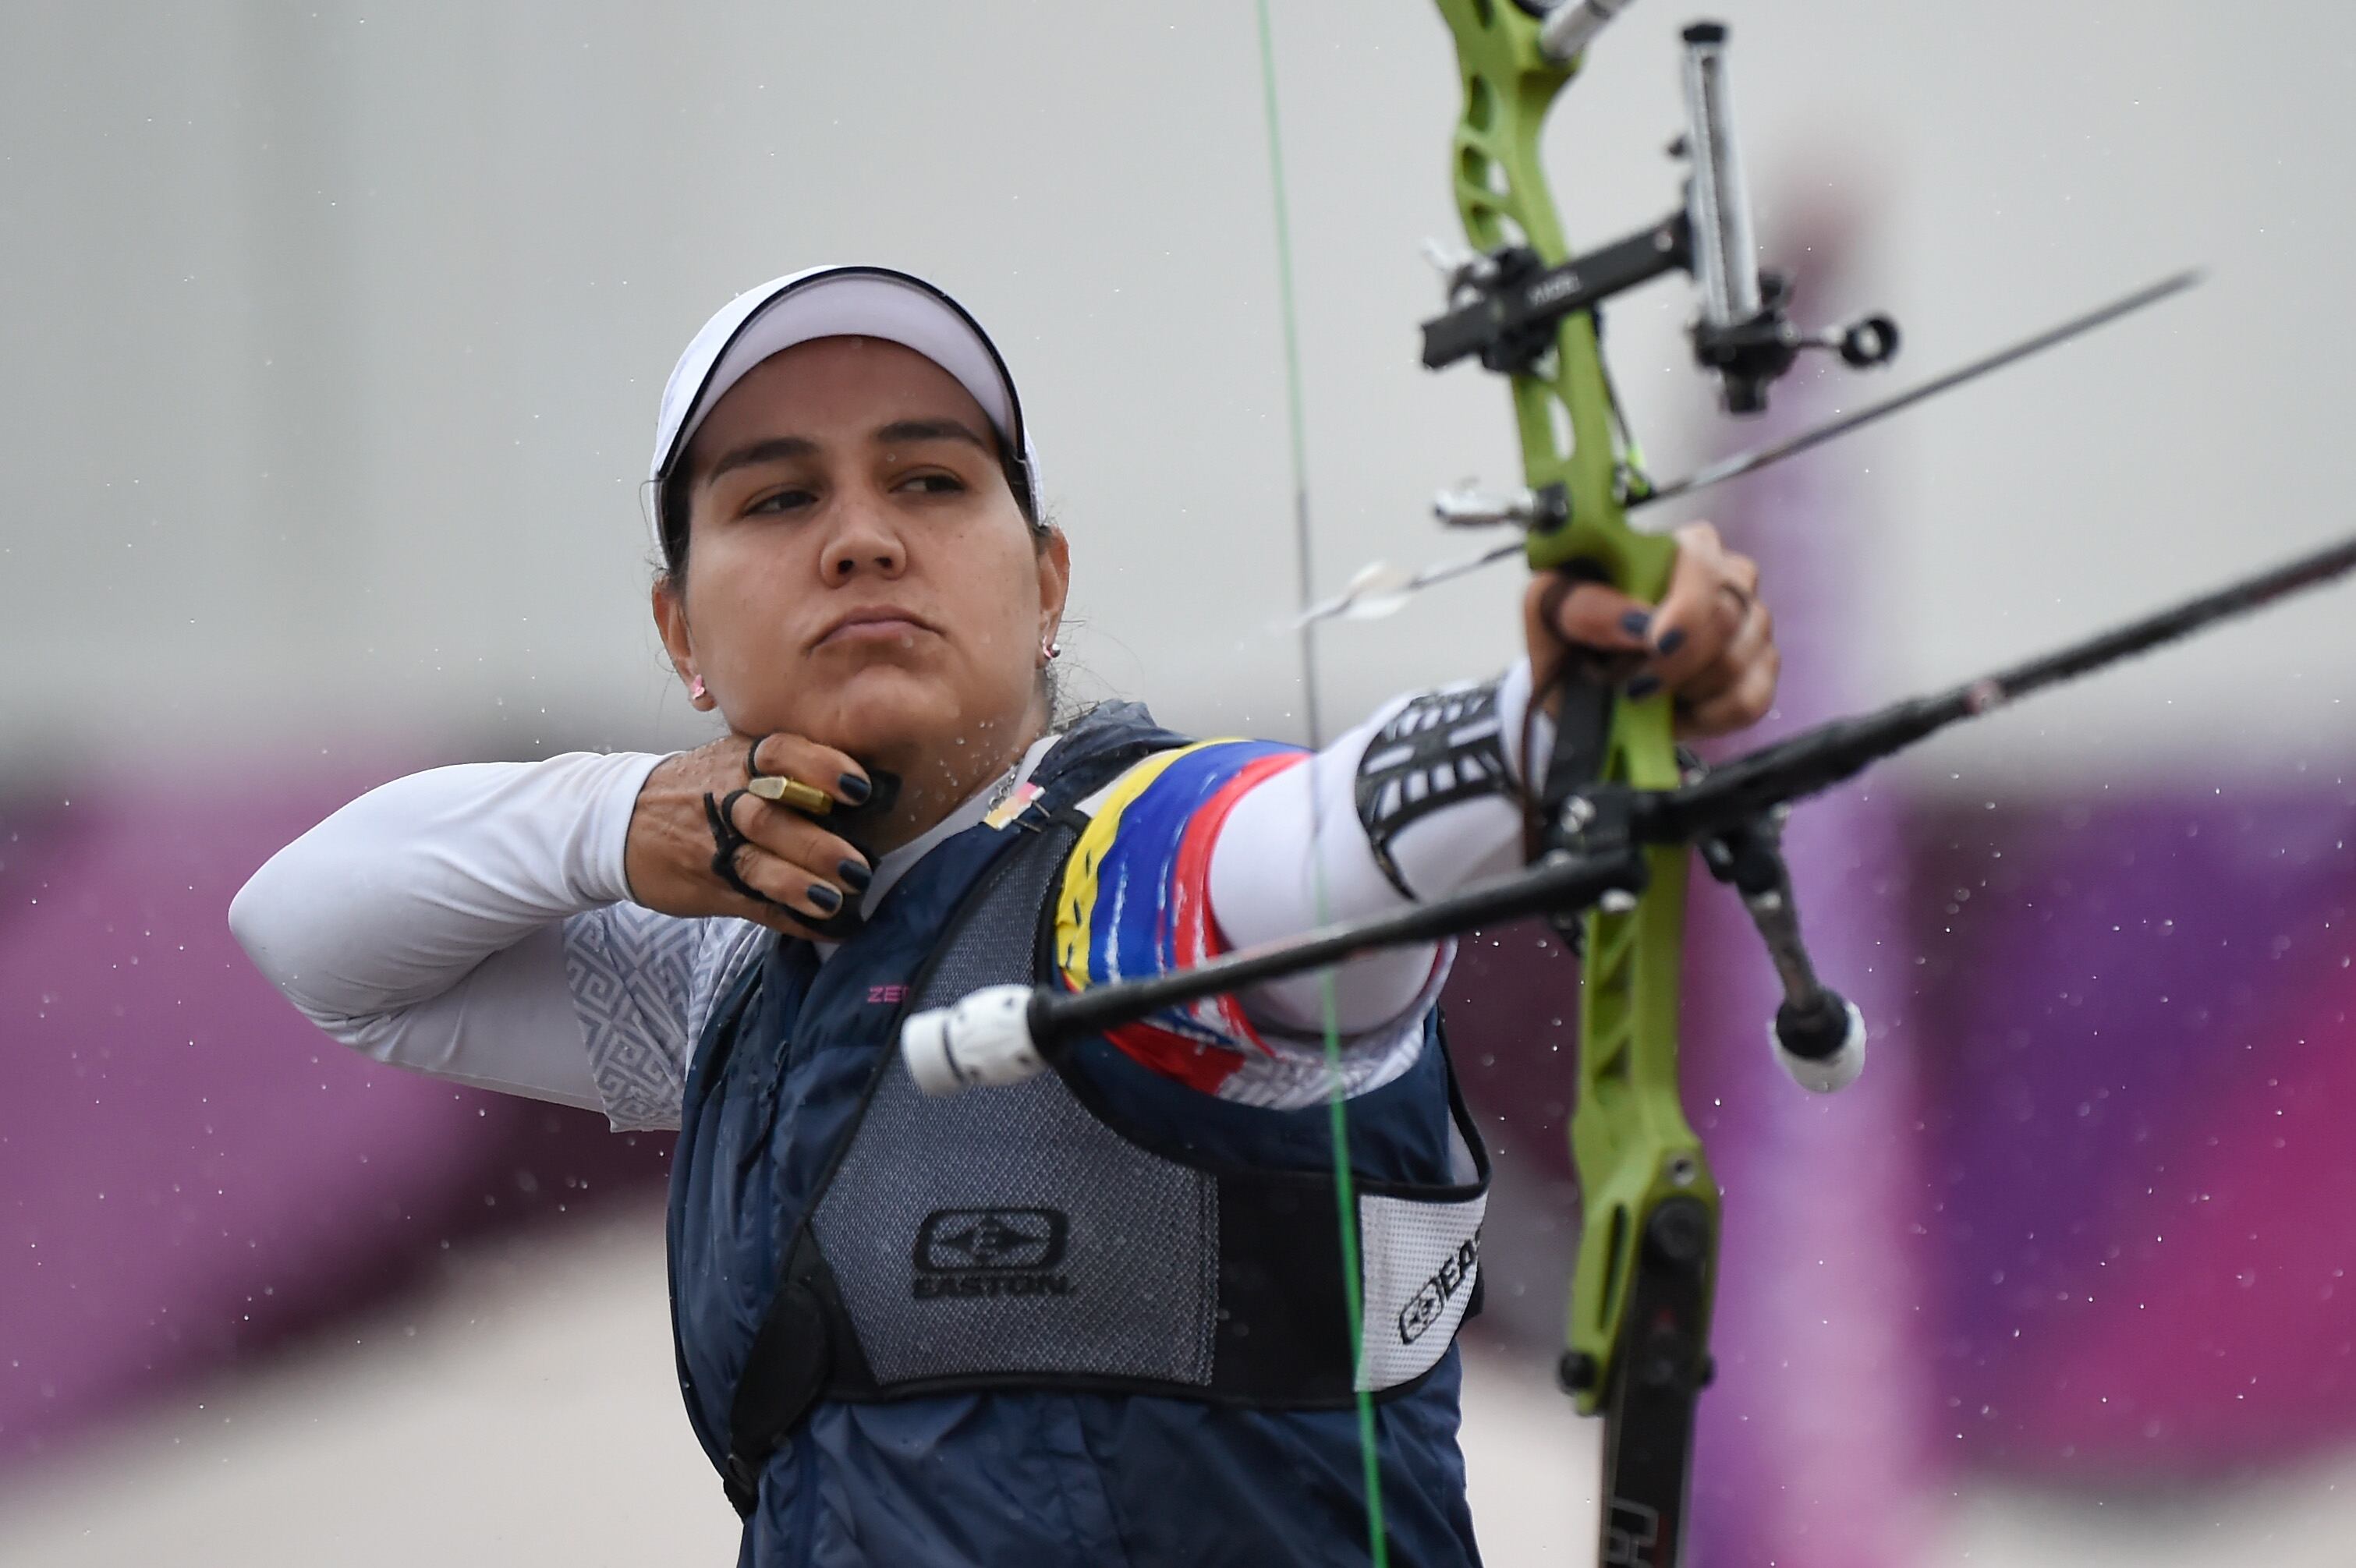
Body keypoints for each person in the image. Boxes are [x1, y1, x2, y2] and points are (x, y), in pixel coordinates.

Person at [230, 264, 1778, 1566]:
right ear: (678, 632)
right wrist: (609, 818)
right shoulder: (732, 969)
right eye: (775, 498)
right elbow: (317, 937)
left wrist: (1549, 718)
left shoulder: (1147, 868)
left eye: (928, 479)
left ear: (1042, 582)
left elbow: (1327, 841)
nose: (860, 536)